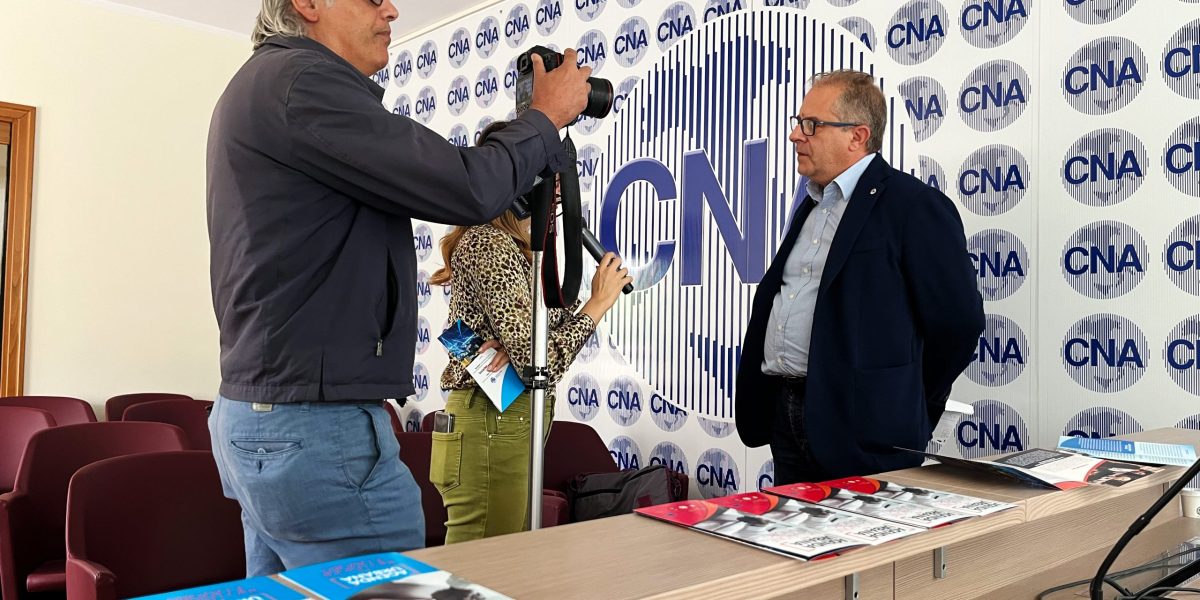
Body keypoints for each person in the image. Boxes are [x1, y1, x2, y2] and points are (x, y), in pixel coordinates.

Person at [207, 0, 594, 575]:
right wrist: (543, 118)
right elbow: (465, 186)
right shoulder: (303, 82)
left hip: (268, 416)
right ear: (307, 5)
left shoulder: (264, 87)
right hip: (314, 428)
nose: (392, 10)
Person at [735, 69, 985, 485]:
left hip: (865, 432)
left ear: (857, 136)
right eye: (798, 123)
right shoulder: (812, 206)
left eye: (810, 125)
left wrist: (905, 402)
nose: (796, 136)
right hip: (787, 417)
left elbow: (958, 325)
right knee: (792, 528)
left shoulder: (914, 206)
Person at [428, 121, 632, 543]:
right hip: (491, 422)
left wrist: (522, 339)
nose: (556, 190)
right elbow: (538, 365)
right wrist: (596, 305)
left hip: (503, 421)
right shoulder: (488, 243)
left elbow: (517, 337)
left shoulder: (511, 247)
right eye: (546, 176)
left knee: (503, 561)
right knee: (484, 566)